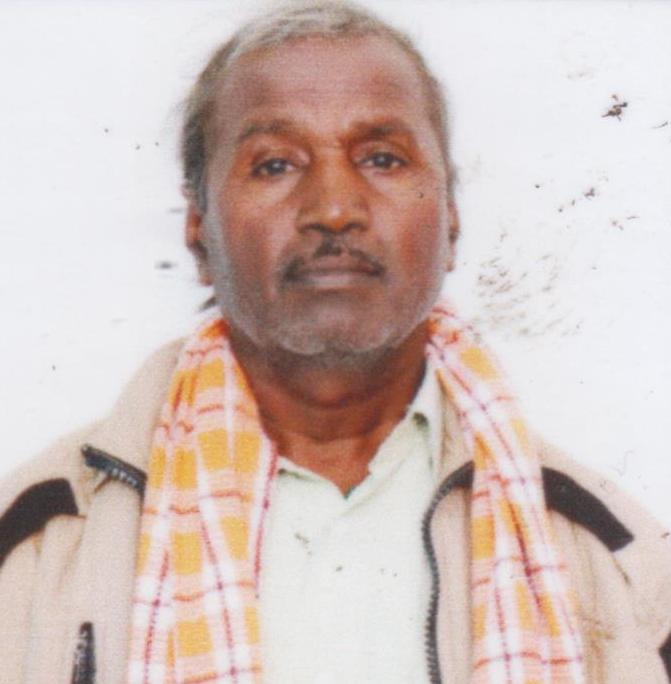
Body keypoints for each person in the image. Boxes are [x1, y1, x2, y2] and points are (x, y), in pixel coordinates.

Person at [1, 2, 670, 683]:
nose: (332, 209)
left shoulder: (619, 561)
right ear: (198, 229)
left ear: (451, 221)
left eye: (381, 158)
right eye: (274, 165)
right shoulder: (34, 551)